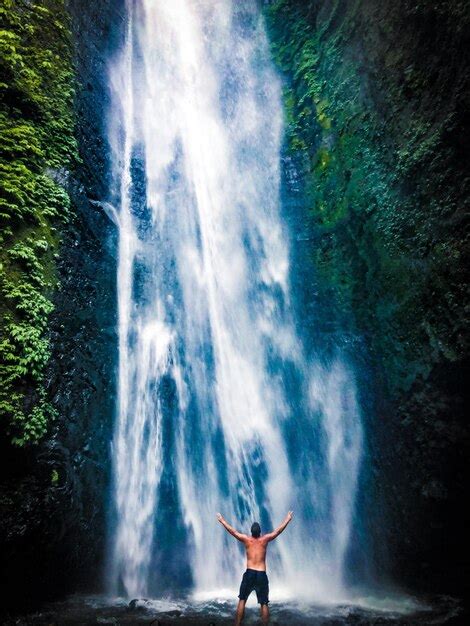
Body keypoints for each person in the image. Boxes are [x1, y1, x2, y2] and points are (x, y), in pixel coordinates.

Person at [216, 511, 293, 625]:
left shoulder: (247, 540)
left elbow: (233, 531)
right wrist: (287, 519)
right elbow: (278, 531)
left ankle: (237, 625)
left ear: (251, 532)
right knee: (264, 603)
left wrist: (222, 520)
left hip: (250, 573)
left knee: (242, 600)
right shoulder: (265, 539)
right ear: (260, 532)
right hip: (261, 574)